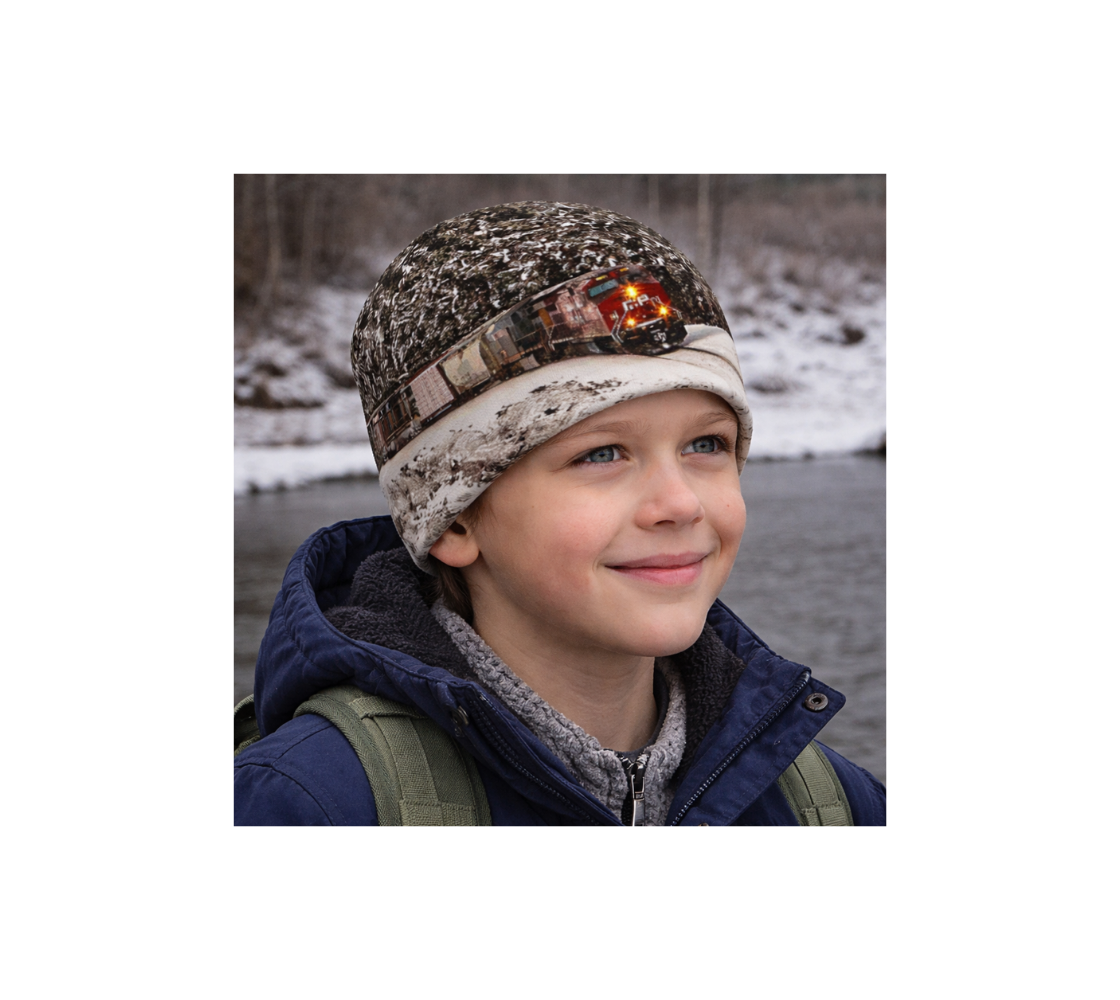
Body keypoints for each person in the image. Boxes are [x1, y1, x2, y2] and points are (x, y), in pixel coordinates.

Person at [232, 201, 887, 827]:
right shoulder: (309, 801)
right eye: (602, 453)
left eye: (706, 445)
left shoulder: (827, 802)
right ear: (454, 518)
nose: (680, 503)